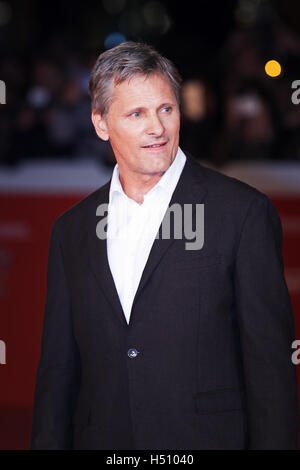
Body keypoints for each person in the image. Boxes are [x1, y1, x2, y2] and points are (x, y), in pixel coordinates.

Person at [30, 41, 299, 450]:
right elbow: (57, 373)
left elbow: (270, 372)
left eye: (166, 109)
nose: (156, 127)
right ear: (101, 124)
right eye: (136, 113)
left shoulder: (241, 214)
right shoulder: (72, 231)